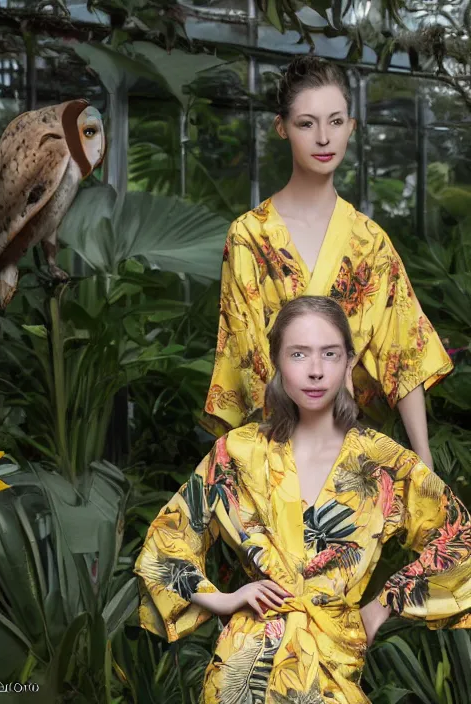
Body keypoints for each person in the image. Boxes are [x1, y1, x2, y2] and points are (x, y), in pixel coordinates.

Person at [134, 296, 471, 704]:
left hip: (336, 659)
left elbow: (460, 540)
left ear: (349, 362)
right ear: (277, 362)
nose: (315, 371)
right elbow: (165, 543)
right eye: (299, 354)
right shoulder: (238, 452)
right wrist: (225, 599)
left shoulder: (383, 461)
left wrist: (385, 603)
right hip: (243, 671)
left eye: (329, 354)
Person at [202, 55, 453, 470]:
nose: (323, 138)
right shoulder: (249, 236)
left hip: (358, 457)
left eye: (336, 122)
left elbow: (404, 352)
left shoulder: (371, 242)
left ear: (351, 128)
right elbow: (243, 356)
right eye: (307, 123)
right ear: (282, 128)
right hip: (273, 450)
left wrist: (423, 463)